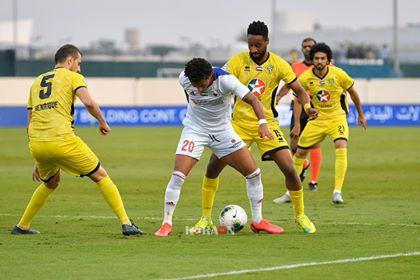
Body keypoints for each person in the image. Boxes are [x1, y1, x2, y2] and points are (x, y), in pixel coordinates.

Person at [190, 21, 318, 235]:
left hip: (267, 124)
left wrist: (307, 106)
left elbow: (300, 90)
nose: (253, 50)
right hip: (237, 125)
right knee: (213, 166)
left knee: (289, 169)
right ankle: (205, 218)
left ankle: (300, 215)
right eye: (250, 45)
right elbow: (218, 79)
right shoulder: (237, 62)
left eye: (258, 45)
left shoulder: (279, 64)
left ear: (267, 42)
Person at [11, 44, 142, 236]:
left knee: (51, 182)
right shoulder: (73, 77)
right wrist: (102, 122)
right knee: (101, 176)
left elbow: (30, 121)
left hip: (37, 142)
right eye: (78, 63)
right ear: (70, 61)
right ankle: (126, 223)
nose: (79, 68)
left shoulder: (37, 82)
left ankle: (22, 226)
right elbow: (88, 102)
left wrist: (38, 157)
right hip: (62, 140)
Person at [155, 57, 284, 236]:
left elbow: (253, 100)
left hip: (223, 132)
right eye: (195, 85)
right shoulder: (184, 78)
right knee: (178, 176)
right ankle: (166, 224)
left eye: (203, 85)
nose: (199, 90)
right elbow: (190, 96)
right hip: (195, 130)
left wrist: (263, 123)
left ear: (210, 76)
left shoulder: (227, 81)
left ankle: (258, 221)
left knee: (254, 174)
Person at [292, 43, 367, 204]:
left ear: (328, 60)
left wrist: (360, 114)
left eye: (323, 58)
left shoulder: (338, 74)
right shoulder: (305, 77)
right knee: (299, 153)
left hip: (336, 117)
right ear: (312, 60)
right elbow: (298, 97)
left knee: (341, 145)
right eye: (317, 58)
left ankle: (337, 191)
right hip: (317, 118)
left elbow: (353, 92)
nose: (319, 61)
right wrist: (301, 118)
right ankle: (290, 191)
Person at [274, 38, 323, 204]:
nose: (308, 49)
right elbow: (290, 85)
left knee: (314, 144)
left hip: (315, 109)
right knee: (293, 146)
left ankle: (313, 180)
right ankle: (304, 165)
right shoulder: (296, 67)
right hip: (298, 108)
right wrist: (279, 96)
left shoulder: (324, 67)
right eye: (305, 47)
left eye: (310, 46)